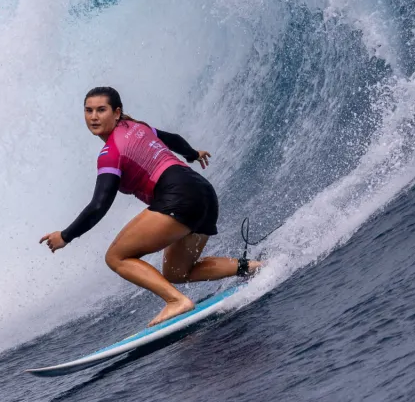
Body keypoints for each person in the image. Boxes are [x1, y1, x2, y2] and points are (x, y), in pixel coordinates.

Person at [40, 86, 262, 327]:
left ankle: (176, 301)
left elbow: (99, 205)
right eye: (89, 110)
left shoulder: (111, 153)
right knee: (177, 272)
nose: (94, 116)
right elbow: (173, 139)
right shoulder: (138, 127)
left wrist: (66, 236)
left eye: (101, 110)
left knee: (116, 257)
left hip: (178, 197)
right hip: (204, 193)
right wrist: (192, 154)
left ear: (116, 112)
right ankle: (252, 267)